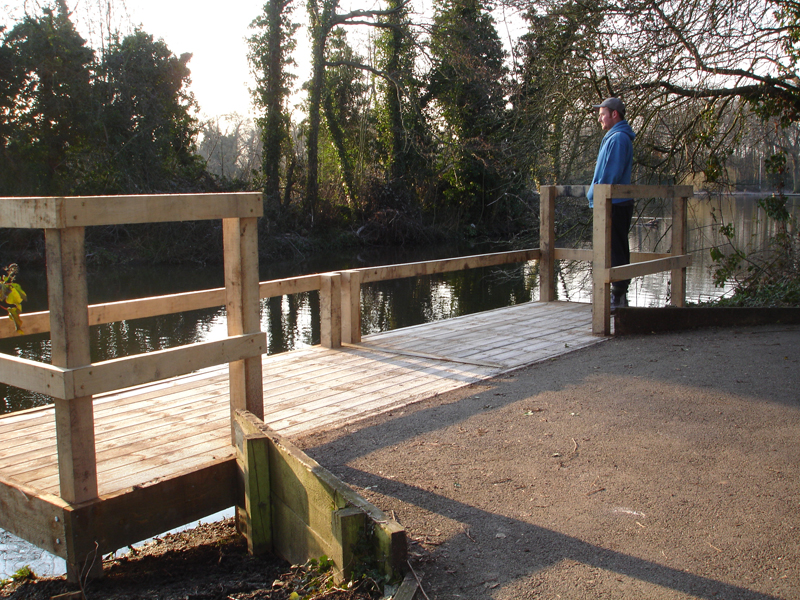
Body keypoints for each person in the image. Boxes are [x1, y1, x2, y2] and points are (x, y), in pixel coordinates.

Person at [586, 97, 636, 309]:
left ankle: (618, 296)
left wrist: (597, 194)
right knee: (613, 248)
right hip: (612, 201)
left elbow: (610, 175)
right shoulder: (616, 137)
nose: (599, 119)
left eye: (602, 114)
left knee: (615, 250)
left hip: (613, 202)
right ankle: (617, 296)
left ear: (614, 114)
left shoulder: (618, 139)